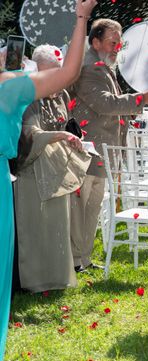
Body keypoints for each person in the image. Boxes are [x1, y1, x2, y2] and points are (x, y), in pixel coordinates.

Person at [0, 0, 99, 361]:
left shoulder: (10, 87)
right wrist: (80, 19)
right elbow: (69, 72)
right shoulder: (10, 88)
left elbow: (67, 73)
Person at [68, 18, 148, 272]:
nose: (117, 48)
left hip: (102, 151)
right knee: (82, 210)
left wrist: (132, 111)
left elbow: (111, 106)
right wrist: (142, 98)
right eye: (113, 43)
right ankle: (74, 261)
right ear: (95, 41)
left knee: (92, 208)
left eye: (119, 44)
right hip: (89, 150)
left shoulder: (103, 65)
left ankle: (84, 259)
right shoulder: (89, 67)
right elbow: (105, 104)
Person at [13, 45, 92, 293]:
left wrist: (71, 134)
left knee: (58, 224)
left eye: (58, 72)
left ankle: (58, 277)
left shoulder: (61, 96)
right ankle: (35, 281)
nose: (55, 79)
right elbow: (28, 134)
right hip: (31, 170)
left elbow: (63, 123)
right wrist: (57, 135)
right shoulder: (29, 98)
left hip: (56, 168)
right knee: (35, 225)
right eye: (50, 73)